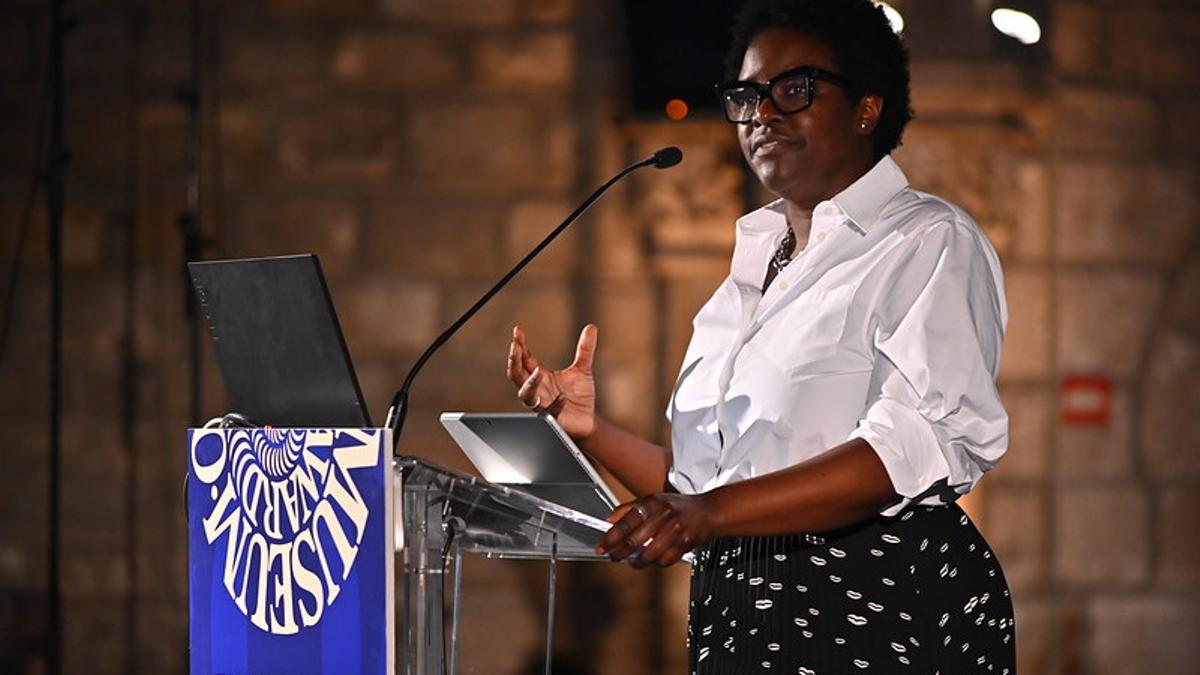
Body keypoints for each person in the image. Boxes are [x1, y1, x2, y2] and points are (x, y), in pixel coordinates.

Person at [506, 0, 1015, 672]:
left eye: (794, 91)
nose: (763, 114)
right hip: (741, 606)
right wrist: (591, 432)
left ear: (867, 108)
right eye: (747, 96)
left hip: (874, 601)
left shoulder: (925, 240)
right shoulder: (746, 277)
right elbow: (708, 485)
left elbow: (913, 443)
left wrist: (708, 513)